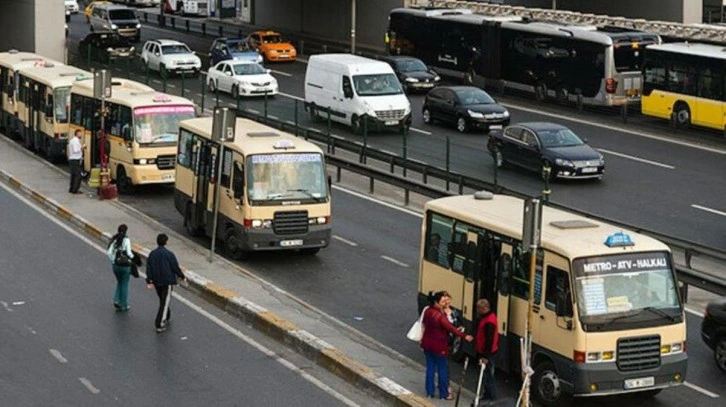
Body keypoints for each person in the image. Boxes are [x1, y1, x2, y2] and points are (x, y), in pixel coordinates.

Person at [421, 291, 473, 400]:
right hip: (439, 345)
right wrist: (464, 336)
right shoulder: (440, 316)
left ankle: (429, 392)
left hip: (427, 343)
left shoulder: (427, 311)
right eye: (443, 302)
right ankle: (443, 393)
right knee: (442, 369)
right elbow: (451, 328)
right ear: (436, 302)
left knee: (430, 368)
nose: (445, 303)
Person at [146, 233, 186, 333]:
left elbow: (149, 268)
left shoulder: (152, 254)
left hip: (156, 281)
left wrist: (150, 280)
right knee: (164, 302)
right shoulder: (169, 254)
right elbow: (175, 267)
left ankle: (167, 315)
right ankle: (159, 323)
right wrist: (182, 276)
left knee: (162, 300)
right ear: (166, 242)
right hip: (167, 281)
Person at [474, 298, 499, 405]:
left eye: (478, 308)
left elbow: (489, 340)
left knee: (488, 375)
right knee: (487, 374)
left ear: (483, 308)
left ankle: (491, 397)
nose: (477, 310)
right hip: (487, 352)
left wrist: (485, 356)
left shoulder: (489, 321)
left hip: (488, 353)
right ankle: (488, 395)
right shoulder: (489, 317)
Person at [106, 224, 133, 312]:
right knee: (124, 284)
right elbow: (129, 253)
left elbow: (109, 253)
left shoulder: (114, 240)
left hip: (116, 266)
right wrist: (133, 259)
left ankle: (116, 299)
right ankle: (124, 304)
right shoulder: (126, 240)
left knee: (120, 282)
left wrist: (114, 261)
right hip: (125, 267)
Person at [67, 129, 84, 194]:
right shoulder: (75, 141)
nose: (81, 135)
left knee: (73, 175)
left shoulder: (74, 141)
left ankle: (72, 188)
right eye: (80, 133)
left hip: (73, 159)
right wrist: (82, 148)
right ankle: (75, 189)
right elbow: (75, 150)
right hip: (75, 159)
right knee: (78, 175)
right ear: (77, 134)